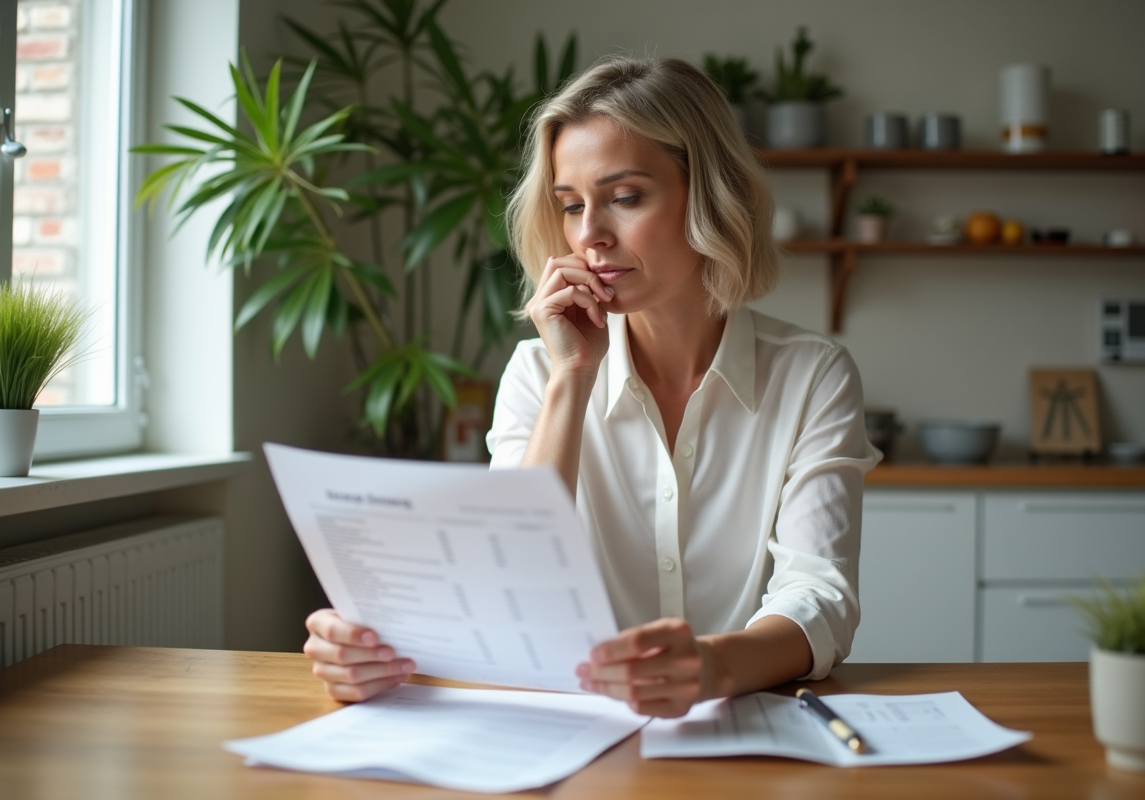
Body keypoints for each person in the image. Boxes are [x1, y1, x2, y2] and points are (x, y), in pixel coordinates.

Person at [303, 56, 879, 718]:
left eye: (626, 197)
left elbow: (821, 597)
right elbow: (503, 590)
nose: (589, 235)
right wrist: (572, 379)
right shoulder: (537, 373)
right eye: (571, 205)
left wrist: (711, 666)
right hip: (566, 733)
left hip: (744, 735)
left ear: (713, 196)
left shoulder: (812, 375)